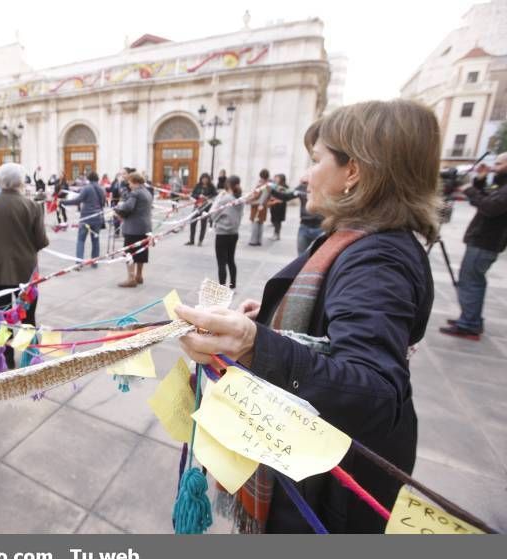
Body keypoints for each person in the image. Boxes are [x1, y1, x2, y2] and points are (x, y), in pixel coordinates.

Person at [175, 100, 439, 533]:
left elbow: (374, 390)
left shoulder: (378, 258)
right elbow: (341, 324)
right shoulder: (359, 239)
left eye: (316, 161)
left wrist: (254, 342)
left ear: (353, 171)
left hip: (327, 490)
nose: (303, 175)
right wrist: (274, 317)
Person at [0, 163, 49, 368]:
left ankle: (6, 358)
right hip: (26, 271)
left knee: (0, 316)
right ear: (21, 182)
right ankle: (28, 356)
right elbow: (42, 241)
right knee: (27, 316)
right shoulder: (32, 205)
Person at [440, 152, 507, 340]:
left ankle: (469, 324)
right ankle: (471, 319)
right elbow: (486, 199)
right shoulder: (501, 185)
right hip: (483, 241)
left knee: (471, 282)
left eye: (499, 163)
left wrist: (469, 188)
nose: (495, 166)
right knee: (473, 280)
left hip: (485, 242)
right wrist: (479, 181)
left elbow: (490, 207)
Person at [114, 172, 153, 287]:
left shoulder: (135, 193)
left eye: (130, 183)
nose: (129, 185)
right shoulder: (147, 192)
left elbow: (128, 207)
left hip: (133, 228)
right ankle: (139, 275)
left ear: (135, 182)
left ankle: (131, 278)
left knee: (130, 253)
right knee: (141, 252)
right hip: (145, 227)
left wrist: (117, 208)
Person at [62, 171, 106, 268]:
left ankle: (79, 263)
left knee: (81, 240)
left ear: (88, 179)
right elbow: (103, 203)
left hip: (86, 217)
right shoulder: (102, 189)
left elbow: (78, 200)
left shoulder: (87, 188)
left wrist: (64, 202)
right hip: (97, 217)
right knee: (95, 240)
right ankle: (94, 263)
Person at [212, 175, 244, 289]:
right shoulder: (240, 199)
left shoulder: (225, 199)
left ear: (228, 185)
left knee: (221, 263)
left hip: (222, 234)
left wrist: (218, 198)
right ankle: (232, 285)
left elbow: (213, 213)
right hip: (234, 234)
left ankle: (222, 288)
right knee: (231, 260)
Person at [185, 173, 217, 246]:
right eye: (203, 179)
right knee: (193, 222)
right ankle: (191, 240)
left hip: (206, 207)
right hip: (197, 206)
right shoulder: (198, 185)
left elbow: (215, 195)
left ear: (208, 179)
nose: (204, 180)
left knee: (203, 224)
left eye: (206, 179)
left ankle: (200, 240)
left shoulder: (211, 187)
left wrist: (207, 197)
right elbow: (193, 194)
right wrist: (198, 196)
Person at [247, 169, 274, 246]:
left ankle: (254, 240)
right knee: (260, 223)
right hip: (263, 206)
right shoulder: (269, 185)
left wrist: (250, 201)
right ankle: (259, 240)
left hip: (257, 206)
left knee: (255, 223)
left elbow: (258, 197)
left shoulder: (262, 185)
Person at [268, 173, 290, 241]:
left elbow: (284, 196)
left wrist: (275, 199)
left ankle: (277, 234)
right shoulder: (275, 185)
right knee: (274, 220)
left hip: (280, 206)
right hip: (274, 205)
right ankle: (275, 234)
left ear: (281, 179)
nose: (276, 179)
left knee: (278, 221)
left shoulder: (284, 187)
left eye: (277, 178)